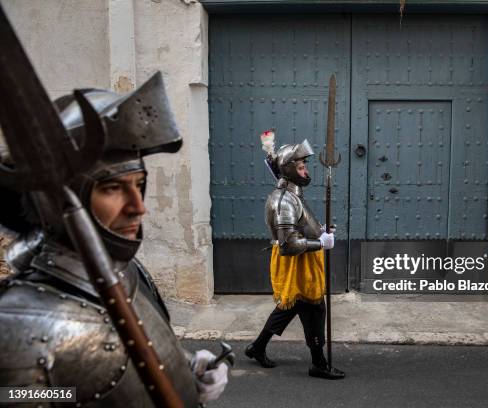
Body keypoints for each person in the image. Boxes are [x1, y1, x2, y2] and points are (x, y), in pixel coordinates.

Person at [0, 72, 228, 406]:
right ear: (57, 203)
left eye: (138, 185)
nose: (138, 208)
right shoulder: (20, 325)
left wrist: (185, 368)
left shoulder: (128, 271)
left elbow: (137, 356)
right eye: (112, 188)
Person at [244, 131, 345, 380]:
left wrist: (321, 231)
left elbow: (301, 226)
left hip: (304, 259)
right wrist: (320, 243)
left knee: (289, 307)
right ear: (288, 170)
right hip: (296, 262)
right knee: (313, 308)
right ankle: (318, 363)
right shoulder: (283, 201)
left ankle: (257, 348)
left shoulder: (293, 195)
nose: (305, 171)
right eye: (300, 167)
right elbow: (288, 245)